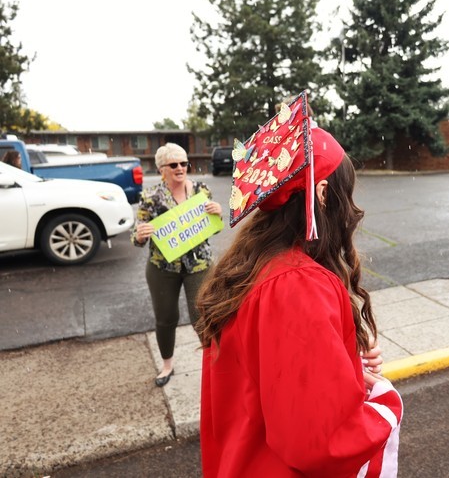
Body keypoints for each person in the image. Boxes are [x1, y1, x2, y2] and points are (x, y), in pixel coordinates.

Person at [195, 93, 402, 477]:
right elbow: (323, 443)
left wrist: (345, 368)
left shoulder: (250, 266)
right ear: (322, 194)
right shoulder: (298, 286)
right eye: (346, 195)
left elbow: (266, 384)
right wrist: (384, 403)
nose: (352, 210)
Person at [132, 142, 223, 387]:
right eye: (174, 165)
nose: (180, 168)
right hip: (163, 268)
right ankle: (167, 365)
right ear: (162, 169)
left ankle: (215, 364)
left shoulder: (201, 190)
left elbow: (212, 228)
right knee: (166, 318)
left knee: (203, 316)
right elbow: (137, 236)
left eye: (184, 163)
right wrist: (140, 235)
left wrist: (218, 214)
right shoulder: (151, 196)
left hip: (199, 265)